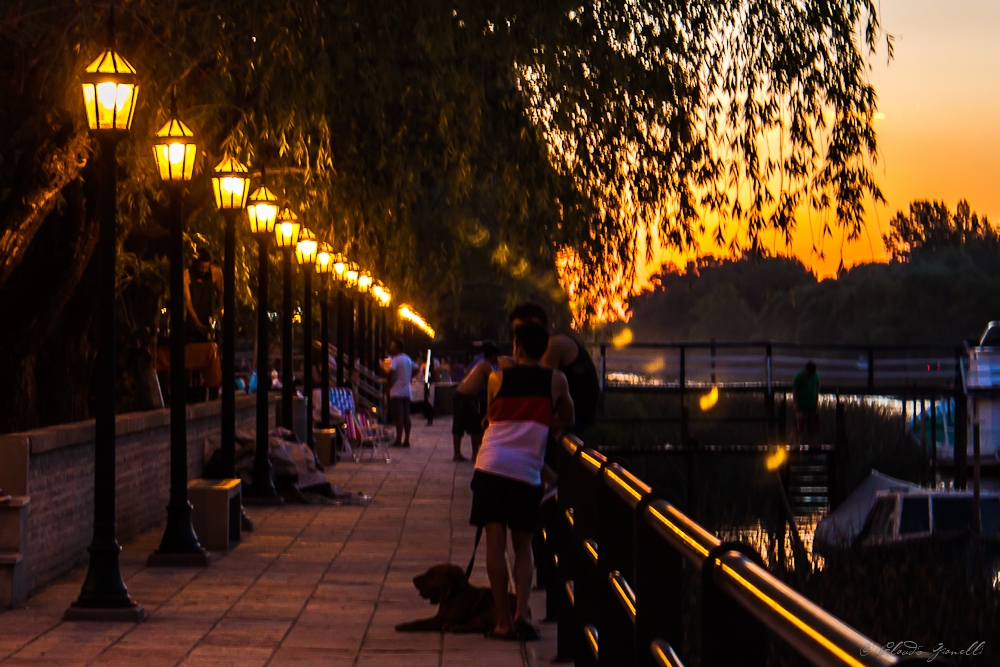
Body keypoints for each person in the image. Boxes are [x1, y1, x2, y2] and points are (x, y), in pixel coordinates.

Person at [471, 321, 574, 641]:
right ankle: (522, 613)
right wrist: (545, 421)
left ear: (516, 348)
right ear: (544, 349)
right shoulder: (556, 380)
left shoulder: (496, 377)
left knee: (495, 547)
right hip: (526, 473)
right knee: (523, 546)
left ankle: (503, 622)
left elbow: (490, 417)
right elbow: (568, 418)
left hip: (490, 466)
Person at [507, 303, 600, 434]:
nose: (517, 337)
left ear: (535, 323)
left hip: (573, 418)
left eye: (518, 329)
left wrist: (514, 366)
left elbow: (541, 388)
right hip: (576, 414)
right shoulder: (554, 342)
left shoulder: (553, 345)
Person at [452, 341, 499, 462]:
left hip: (459, 394)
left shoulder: (480, 363)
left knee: (459, 425)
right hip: (465, 397)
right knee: (476, 426)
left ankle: (457, 454)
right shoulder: (486, 365)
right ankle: (475, 454)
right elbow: (495, 381)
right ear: (493, 356)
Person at [183, 248, 224, 342]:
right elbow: (187, 302)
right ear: (195, 264)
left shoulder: (215, 272)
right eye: (201, 267)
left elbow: (220, 292)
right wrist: (198, 324)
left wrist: (220, 306)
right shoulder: (186, 274)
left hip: (210, 323)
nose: (203, 270)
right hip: (192, 325)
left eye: (206, 267)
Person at [388, 339, 414, 447]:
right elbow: (416, 368)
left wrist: (389, 380)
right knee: (406, 416)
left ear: (397, 348)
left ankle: (399, 439)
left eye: (393, 346)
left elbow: (391, 371)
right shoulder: (407, 358)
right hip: (407, 391)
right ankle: (407, 439)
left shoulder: (396, 359)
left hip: (397, 391)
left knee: (398, 416)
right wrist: (408, 377)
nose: (391, 348)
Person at [793, 361, 820, 447]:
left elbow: (817, 386)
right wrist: (795, 403)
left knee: (812, 425)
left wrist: (816, 399)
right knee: (800, 424)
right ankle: (797, 442)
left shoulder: (815, 375)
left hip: (812, 404)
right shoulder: (799, 376)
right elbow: (795, 390)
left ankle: (811, 442)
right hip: (802, 404)